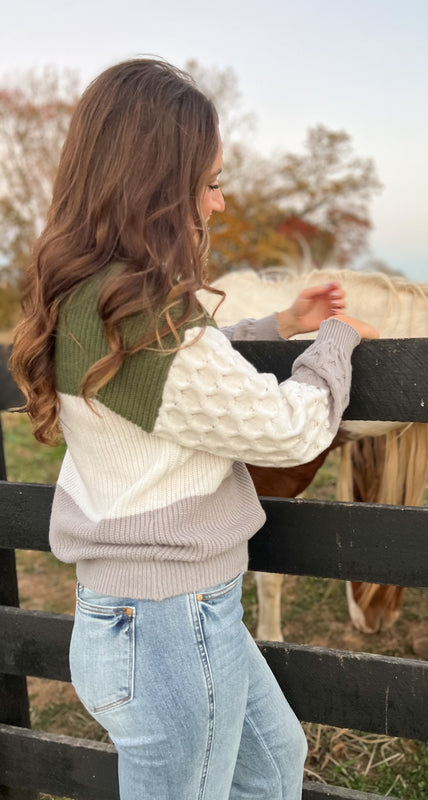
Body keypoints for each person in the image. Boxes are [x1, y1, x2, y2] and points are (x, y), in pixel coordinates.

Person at [10, 58, 379, 800]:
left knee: (274, 765)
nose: (219, 202)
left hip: (146, 619)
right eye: (210, 181)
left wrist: (279, 325)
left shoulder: (93, 297)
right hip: (171, 630)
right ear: (156, 186)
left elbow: (181, 383)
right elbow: (287, 429)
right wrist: (335, 342)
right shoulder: (144, 319)